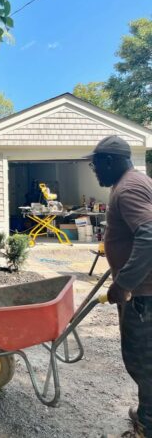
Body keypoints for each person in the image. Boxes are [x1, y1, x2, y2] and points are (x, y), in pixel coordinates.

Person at [86, 135, 152, 438]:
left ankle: (147, 426)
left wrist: (124, 282)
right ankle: (146, 414)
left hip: (143, 296)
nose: (95, 171)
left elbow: (149, 235)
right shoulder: (137, 181)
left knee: (143, 363)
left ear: (110, 161)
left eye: (96, 165)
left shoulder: (126, 189)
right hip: (143, 292)